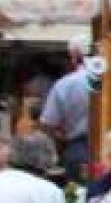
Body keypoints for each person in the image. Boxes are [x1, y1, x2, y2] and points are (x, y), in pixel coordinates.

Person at [40, 34, 93, 180]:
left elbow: (47, 124)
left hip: (79, 150)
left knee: (79, 197)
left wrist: (62, 137)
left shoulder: (65, 84)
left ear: (75, 56)